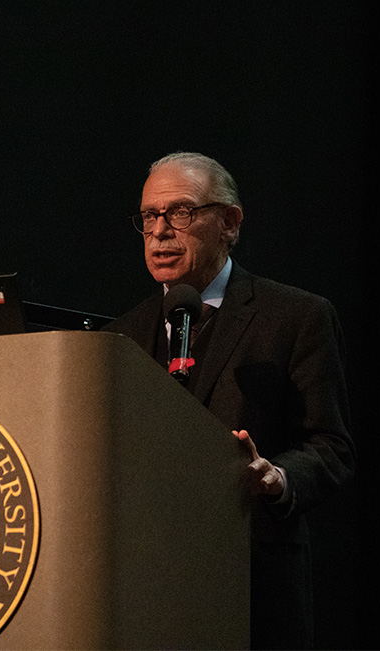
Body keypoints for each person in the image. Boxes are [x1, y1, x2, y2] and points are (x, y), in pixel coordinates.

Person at [103, 152, 355, 649]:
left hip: (250, 585)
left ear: (230, 223)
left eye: (181, 212)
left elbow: (332, 446)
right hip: (143, 588)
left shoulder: (295, 317)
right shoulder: (120, 338)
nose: (160, 232)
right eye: (150, 217)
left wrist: (277, 477)